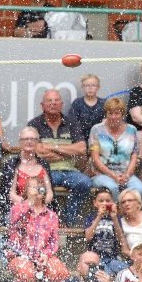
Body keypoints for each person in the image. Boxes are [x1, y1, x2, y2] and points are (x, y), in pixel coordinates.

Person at [27, 89, 91, 226]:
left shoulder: (71, 122)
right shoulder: (34, 124)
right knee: (41, 186)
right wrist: (67, 152)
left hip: (70, 171)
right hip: (46, 171)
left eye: (56, 100)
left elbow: (81, 149)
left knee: (85, 183)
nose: (53, 103)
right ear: (42, 105)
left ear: (61, 104)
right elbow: (38, 152)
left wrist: (51, 148)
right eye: (49, 101)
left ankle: (69, 219)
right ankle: (49, 220)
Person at [6, 181, 69, 282]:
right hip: (19, 255)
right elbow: (15, 224)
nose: (38, 189)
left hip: (42, 256)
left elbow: (53, 242)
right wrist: (29, 202)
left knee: (59, 271)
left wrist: (46, 255)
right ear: (26, 190)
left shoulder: (52, 216)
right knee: (26, 272)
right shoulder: (17, 208)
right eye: (34, 186)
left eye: (41, 187)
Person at [87, 97, 142, 200]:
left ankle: (128, 214)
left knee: (139, 189)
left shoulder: (132, 130)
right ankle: (116, 214)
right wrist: (113, 175)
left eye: (117, 113)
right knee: (112, 187)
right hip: (102, 174)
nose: (113, 117)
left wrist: (127, 174)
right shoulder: (97, 129)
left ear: (123, 114)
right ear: (106, 114)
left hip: (125, 174)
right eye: (110, 113)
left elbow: (134, 156)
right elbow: (95, 159)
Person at [84, 188, 128, 275]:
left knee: (127, 271)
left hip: (113, 258)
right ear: (95, 203)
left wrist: (114, 218)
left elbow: (120, 238)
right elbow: (88, 237)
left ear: (112, 202)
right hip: (95, 258)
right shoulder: (90, 218)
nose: (104, 203)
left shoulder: (116, 218)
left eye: (108, 200)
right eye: (101, 201)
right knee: (105, 272)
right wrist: (99, 216)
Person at [68, 74, 105, 150]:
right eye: (87, 85)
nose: (90, 88)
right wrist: (81, 142)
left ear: (98, 87)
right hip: (80, 141)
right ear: (82, 87)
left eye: (93, 85)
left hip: (100, 141)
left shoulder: (103, 104)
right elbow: (73, 124)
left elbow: (106, 125)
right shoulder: (77, 103)